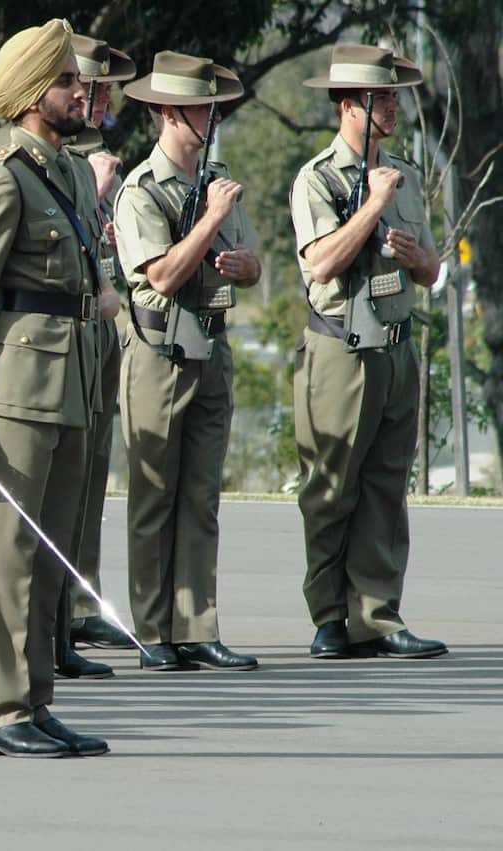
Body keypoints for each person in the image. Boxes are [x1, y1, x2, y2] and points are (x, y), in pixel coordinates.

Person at [0, 19, 112, 758]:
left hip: (71, 382)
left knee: (51, 559)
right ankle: (0, 710)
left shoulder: (69, 171)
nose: (82, 91)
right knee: (11, 555)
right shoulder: (2, 178)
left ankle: (36, 702)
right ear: (36, 96)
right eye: (68, 81)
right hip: (14, 393)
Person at [291, 44, 445, 660]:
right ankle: (330, 617)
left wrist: (415, 257)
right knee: (331, 486)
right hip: (339, 350)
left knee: (386, 485)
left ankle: (378, 615)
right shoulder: (317, 178)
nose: (393, 106)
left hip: (395, 347)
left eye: (395, 95)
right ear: (348, 107)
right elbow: (321, 264)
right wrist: (373, 206)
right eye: (382, 97)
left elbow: (432, 270)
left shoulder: (403, 172)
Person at [113, 51, 262, 672]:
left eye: (214, 105)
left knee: (201, 496)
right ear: (170, 112)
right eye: (201, 106)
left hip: (211, 346)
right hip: (158, 353)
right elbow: (164, 274)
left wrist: (241, 262)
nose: (212, 115)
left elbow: (254, 264)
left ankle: (197, 625)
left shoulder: (218, 179)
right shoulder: (140, 191)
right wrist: (211, 222)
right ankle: (154, 632)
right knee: (154, 497)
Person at [58, 36, 140, 661]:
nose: (104, 98)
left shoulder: (95, 161)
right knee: (61, 480)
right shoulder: (56, 159)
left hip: (100, 327)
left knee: (91, 475)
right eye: (96, 88)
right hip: (60, 335)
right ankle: (59, 614)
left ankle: (82, 603)